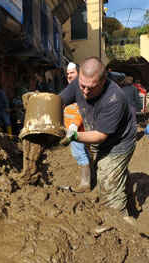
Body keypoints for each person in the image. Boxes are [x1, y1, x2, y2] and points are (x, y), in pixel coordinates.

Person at [59, 57, 137, 223]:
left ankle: (121, 226)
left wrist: (73, 135)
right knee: (110, 174)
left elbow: (100, 135)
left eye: (91, 88)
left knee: (108, 187)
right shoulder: (79, 83)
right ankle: (130, 200)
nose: (85, 92)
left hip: (118, 143)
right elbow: (60, 101)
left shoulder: (115, 98)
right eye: (82, 86)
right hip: (97, 138)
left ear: (103, 81)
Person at [63, 62, 91, 192]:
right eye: (67, 73)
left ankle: (85, 184)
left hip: (79, 128)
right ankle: (91, 178)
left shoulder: (81, 87)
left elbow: (83, 109)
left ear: (78, 72)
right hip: (78, 127)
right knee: (84, 152)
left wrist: (73, 127)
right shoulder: (74, 87)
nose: (69, 76)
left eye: (72, 72)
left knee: (79, 153)